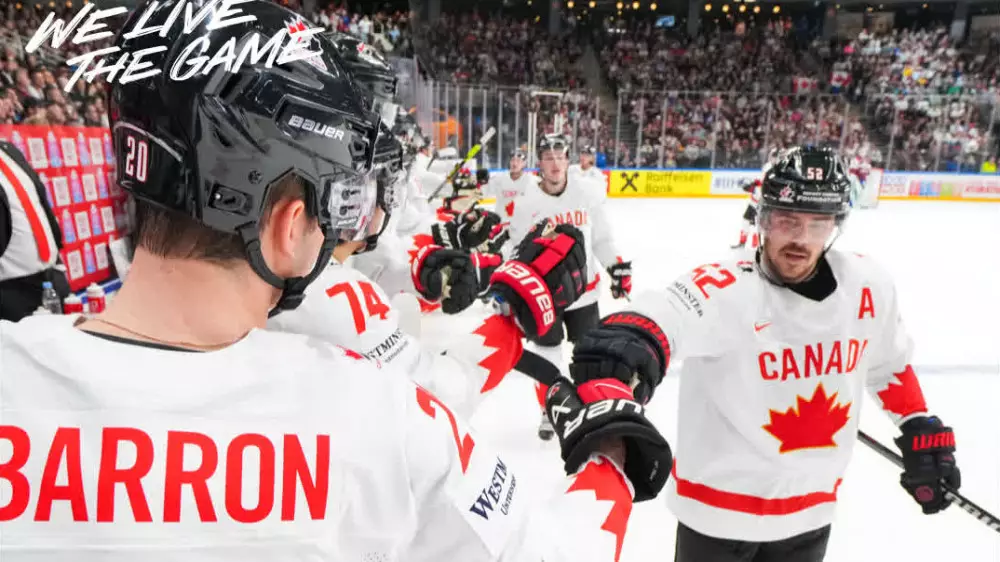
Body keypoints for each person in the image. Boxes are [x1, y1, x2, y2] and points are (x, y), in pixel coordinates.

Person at [0, 3, 673, 560]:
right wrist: (612, 454)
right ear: (289, 224)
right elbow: (560, 549)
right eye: (342, 201)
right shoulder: (376, 416)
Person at [567, 146, 961, 562]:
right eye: (788, 221)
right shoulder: (726, 287)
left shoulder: (867, 287)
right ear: (764, 219)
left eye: (817, 224)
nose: (801, 239)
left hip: (810, 515)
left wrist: (917, 422)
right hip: (718, 518)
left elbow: (888, 365)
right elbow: (663, 317)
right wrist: (628, 344)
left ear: (835, 226)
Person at [505, 134, 632, 440]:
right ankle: (551, 410)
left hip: (584, 293)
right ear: (539, 163)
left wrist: (615, 266)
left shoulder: (586, 194)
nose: (555, 164)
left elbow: (601, 238)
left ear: (568, 160)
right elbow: (516, 249)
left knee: (589, 354)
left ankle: (590, 406)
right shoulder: (526, 203)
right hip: (544, 296)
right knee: (547, 352)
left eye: (560, 157)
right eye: (549, 158)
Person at [0, 138, 68, 320]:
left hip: (51, 280)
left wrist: (58, 265)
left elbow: (39, 204)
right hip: (11, 293)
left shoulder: (9, 150)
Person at [492, 149, 538, 223]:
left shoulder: (532, 180)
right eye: (513, 160)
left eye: (518, 161)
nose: (515, 163)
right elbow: (481, 191)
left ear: (524, 163)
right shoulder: (499, 179)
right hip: (501, 222)